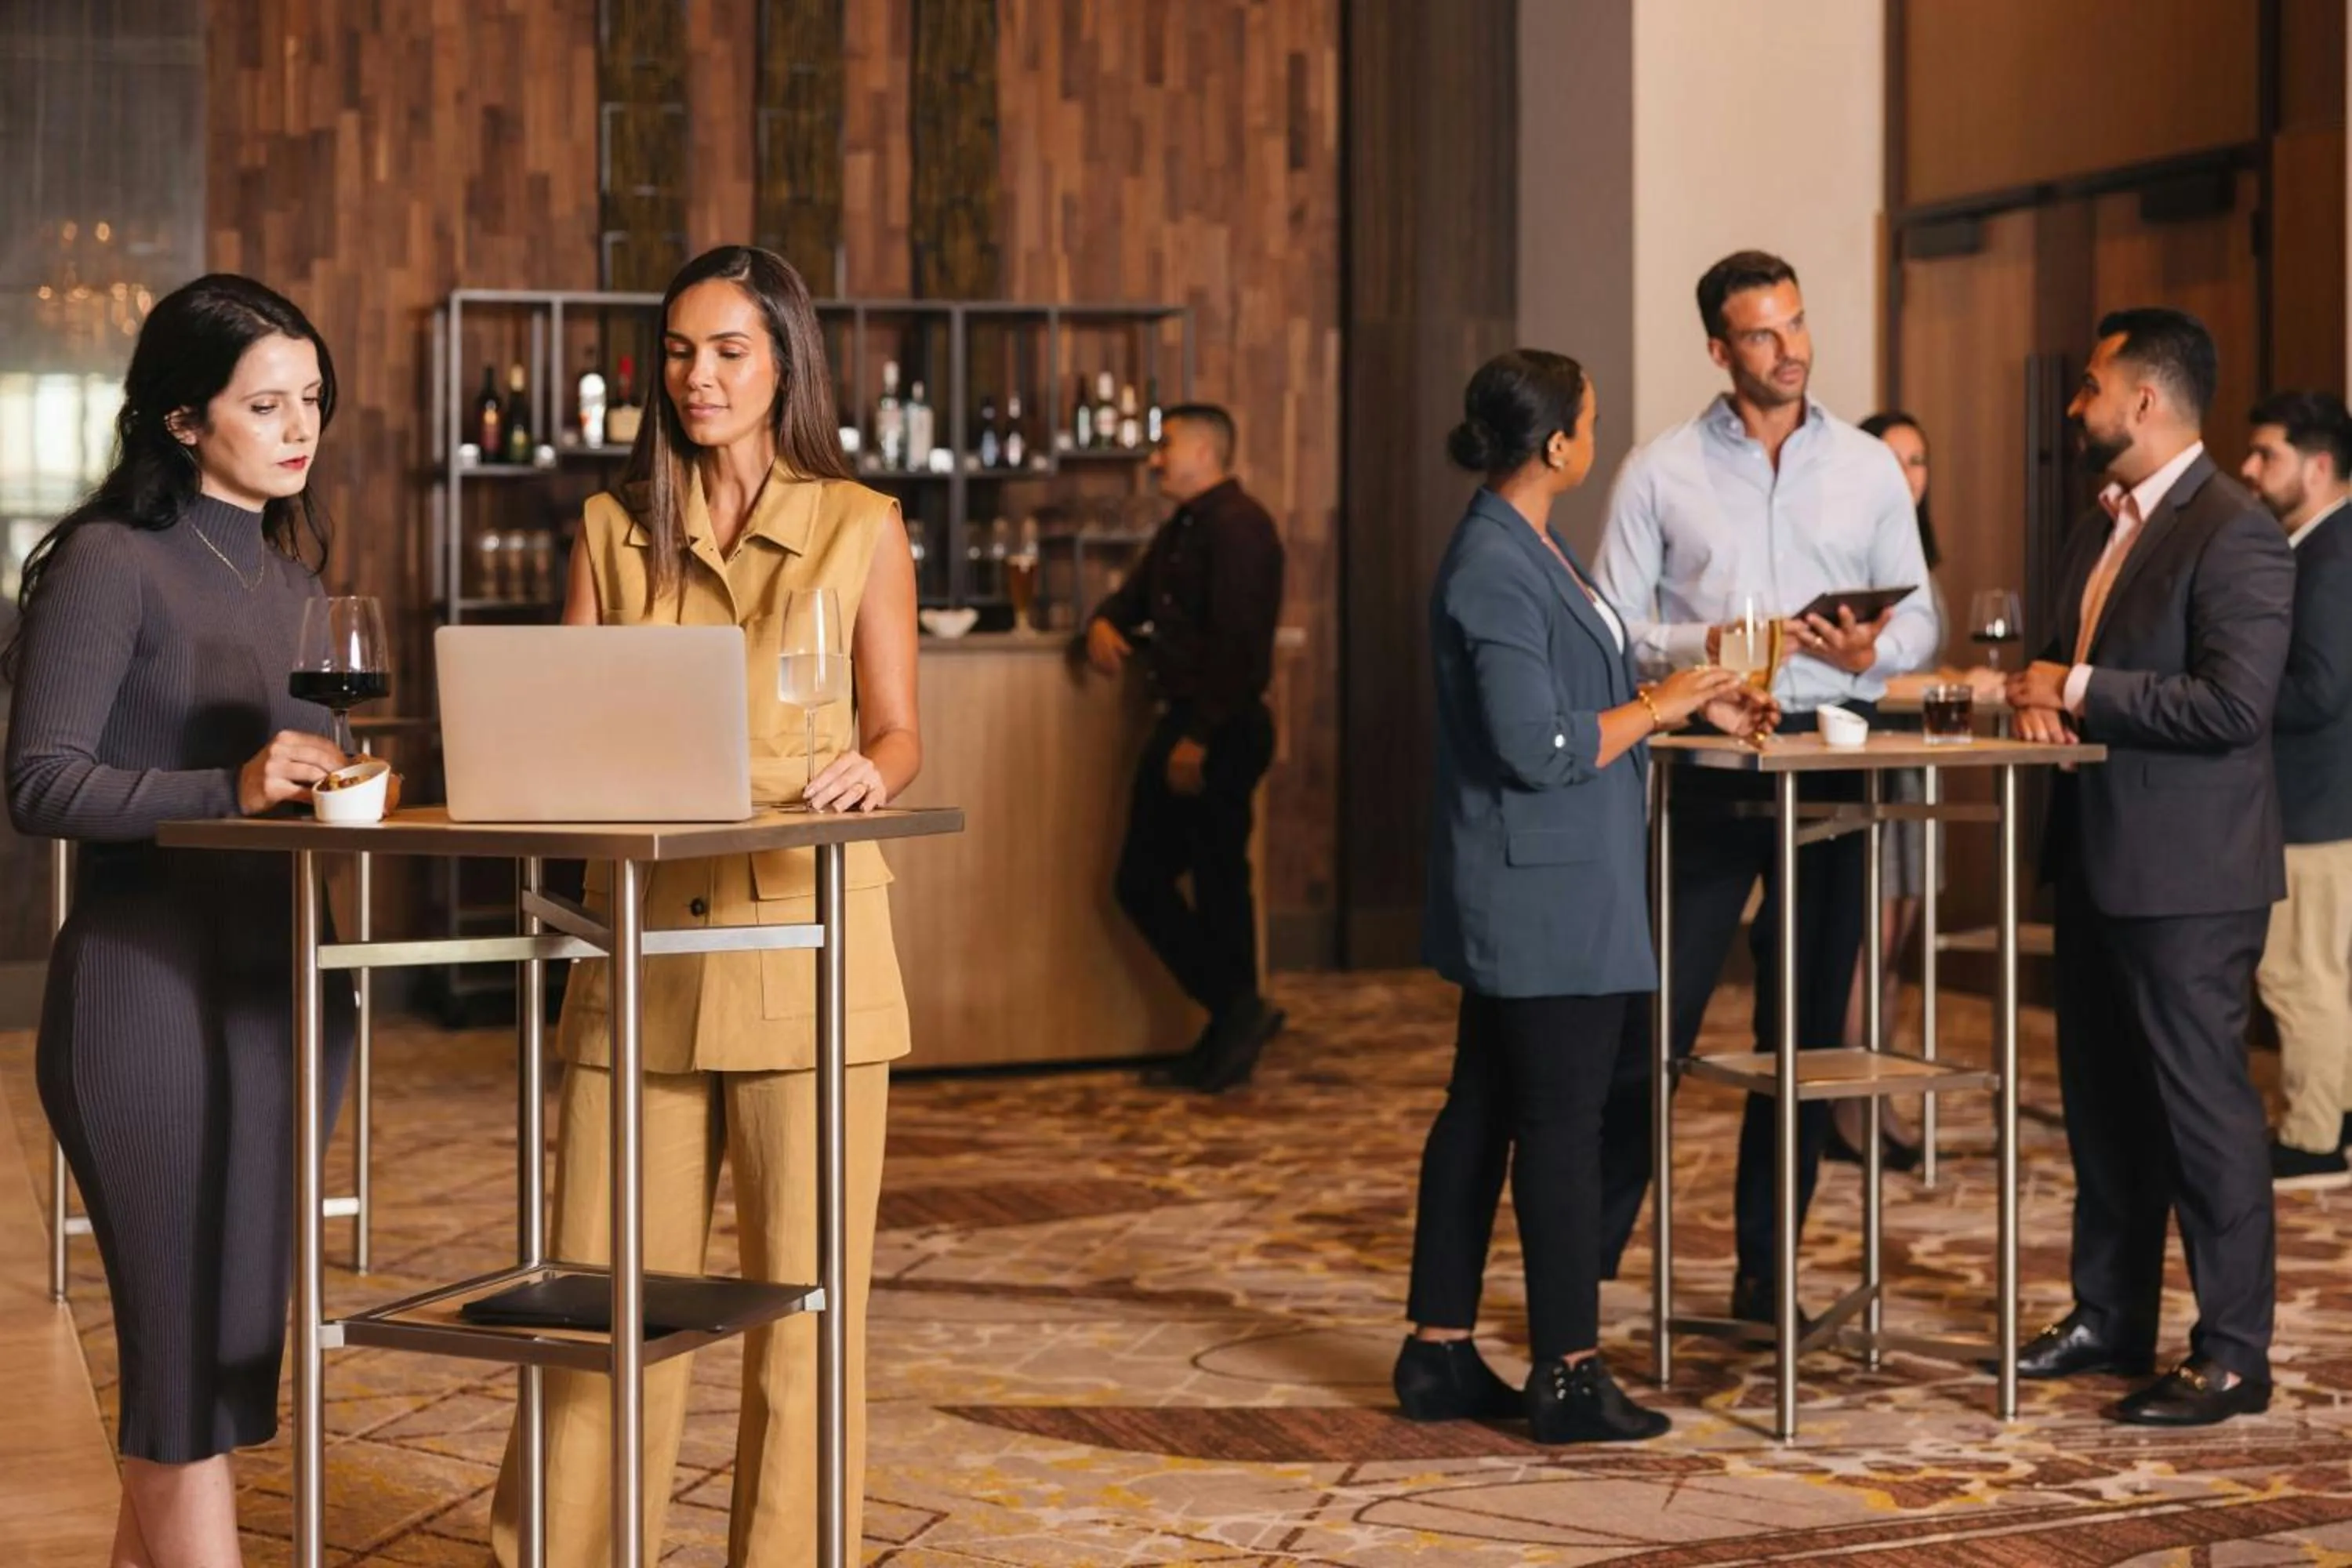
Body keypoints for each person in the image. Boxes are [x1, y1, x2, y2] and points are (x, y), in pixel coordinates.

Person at [487, 245, 920, 1563]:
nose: (699, 376)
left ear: (784, 358)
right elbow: (559, 734)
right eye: (679, 351)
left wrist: (869, 768)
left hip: (812, 955)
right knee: (600, 1304)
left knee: (806, 1313)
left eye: (729, 349)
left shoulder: (861, 524)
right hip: (641, 954)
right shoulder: (614, 530)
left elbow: (902, 732)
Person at [4, 274, 355, 1565]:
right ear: (182, 420)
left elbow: (299, 786)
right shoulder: (108, 563)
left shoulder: (299, 587)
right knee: (174, 1365)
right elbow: (40, 782)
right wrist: (231, 783)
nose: (298, 426)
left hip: (281, 1000)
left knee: (222, 1358)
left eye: (311, 399)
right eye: (264, 403)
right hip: (141, 1001)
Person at [1399, 348, 1773, 1443]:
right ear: (1556, 445)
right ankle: (1564, 1373)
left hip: (1544, 882)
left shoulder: (1529, 544)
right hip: (1544, 897)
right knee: (1563, 1127)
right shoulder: (1493, 565)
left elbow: (1586, 688)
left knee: (1482, 1112)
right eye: (1591, 423)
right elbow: (1539, 744)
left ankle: (1438, 1352)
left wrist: (1685, 703)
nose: (1598, 437)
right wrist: (1657, 708)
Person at [1591, 251, 1933, 1323]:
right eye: (1762, 335)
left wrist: (1866, 648)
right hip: (1703, 775)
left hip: (1834, 765)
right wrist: (1725, 646)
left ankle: (1764, 1274)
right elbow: (1611, 626)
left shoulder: (1871, 468)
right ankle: (1585, 1271)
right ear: (1718, 349)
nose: (1790, 351)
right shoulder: (1659, 469)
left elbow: (1918, 619)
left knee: (1807, 1043)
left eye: (1796, 325)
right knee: (1650, 1026)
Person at [2005, 307, 2291, 1426]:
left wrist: (2072, 693)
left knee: (2203, 1112)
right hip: (2094, 855)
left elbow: (2233, 705)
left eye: (2087, 386)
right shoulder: (2096, 530)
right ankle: (2110, 1316)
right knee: (2105, 1110)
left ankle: (2233, 1353)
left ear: (2144, 400)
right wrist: (2051, 713)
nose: (2074, 405)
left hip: (2191, 876)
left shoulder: (2236, 530)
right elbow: (2075, 682)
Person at [1083, 402, 1286, 1092]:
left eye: (1166, 445)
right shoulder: (1187, 527)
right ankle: (1235, 1017)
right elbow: (1129, 600)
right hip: (1192, 725)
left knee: (1209, 882)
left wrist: (1197, 737)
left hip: (1218, 729)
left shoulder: (1241, 528)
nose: (1155, 459)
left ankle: (1236, 1018)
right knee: (1170, 880)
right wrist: (1104, 623)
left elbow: (1240, 652)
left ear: (1205, 449)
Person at [2240, 390, 2352, 1189]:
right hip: (2328, 801)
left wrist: (2230, 685)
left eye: (2265, 454)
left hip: (2314, 804)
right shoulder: (2323, 546)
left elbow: (2318, 690)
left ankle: (2314, 1138)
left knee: (2299, 975)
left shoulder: (2330, 555)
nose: (2247, 468)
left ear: (2318, 466)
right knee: (2322, 973)